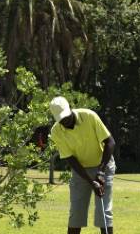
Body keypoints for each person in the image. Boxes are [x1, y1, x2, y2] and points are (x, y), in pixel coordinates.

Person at [49, 96, 116, 234]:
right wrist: (91, 182)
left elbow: (110, 142)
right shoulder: (56, 132)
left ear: (70, 109)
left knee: (103, 212)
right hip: (80, 170)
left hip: (103, 164)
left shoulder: (89, 116)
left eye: (66, 117)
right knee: (76, 213)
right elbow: (71, 159)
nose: (65, 122)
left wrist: (101, 172)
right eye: (61, 120)